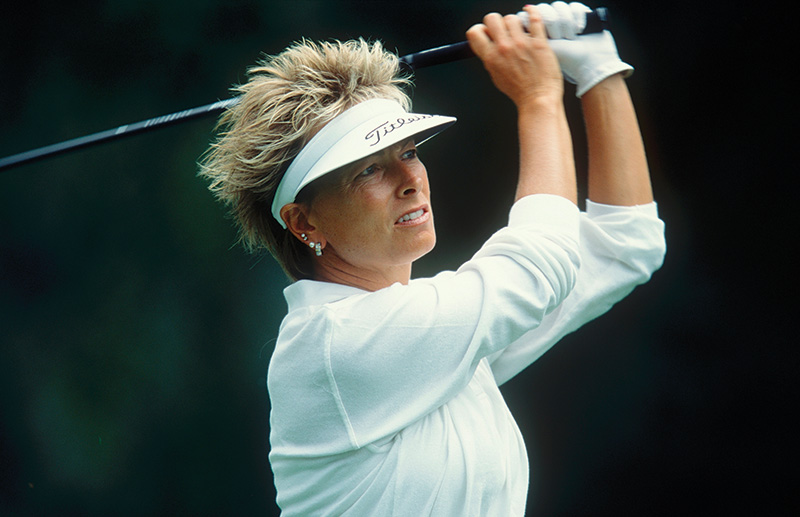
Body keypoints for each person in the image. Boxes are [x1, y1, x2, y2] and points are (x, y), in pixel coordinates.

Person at [199, 3, 665, 515]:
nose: (409, 180)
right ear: (305, 222)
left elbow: (625, 245)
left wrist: (599, 72)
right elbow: (541, 266)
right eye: (368, 171)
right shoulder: (337, 343)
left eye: (410, 151)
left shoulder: (436, 337)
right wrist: (537, 97)